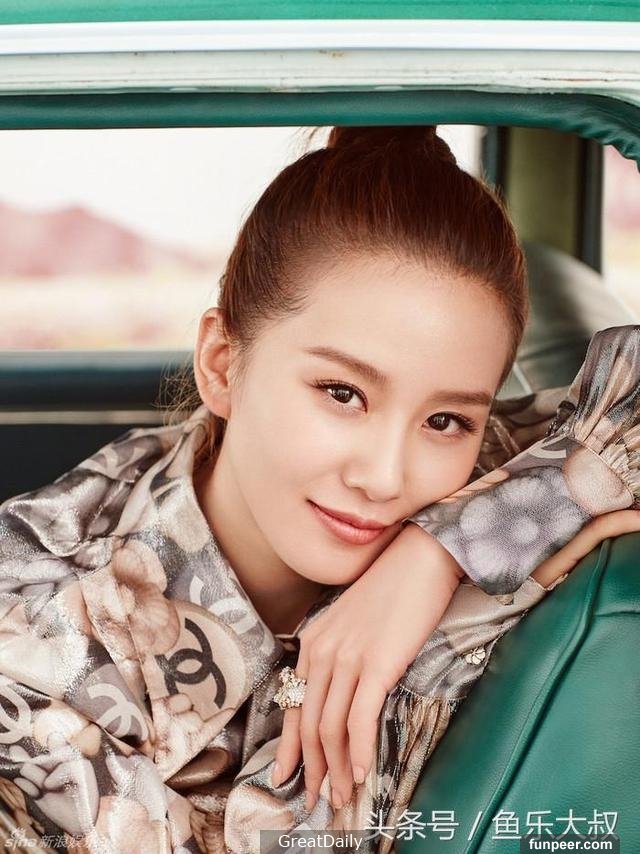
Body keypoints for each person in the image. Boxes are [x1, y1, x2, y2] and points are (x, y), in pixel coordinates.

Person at [0, 125, 638, 854]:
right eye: (343, 393)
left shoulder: (480, 472)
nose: (386, 477)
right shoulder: (34, 655)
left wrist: (443, 551)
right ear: (221, 364)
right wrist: (447, 634)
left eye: (444, 420)